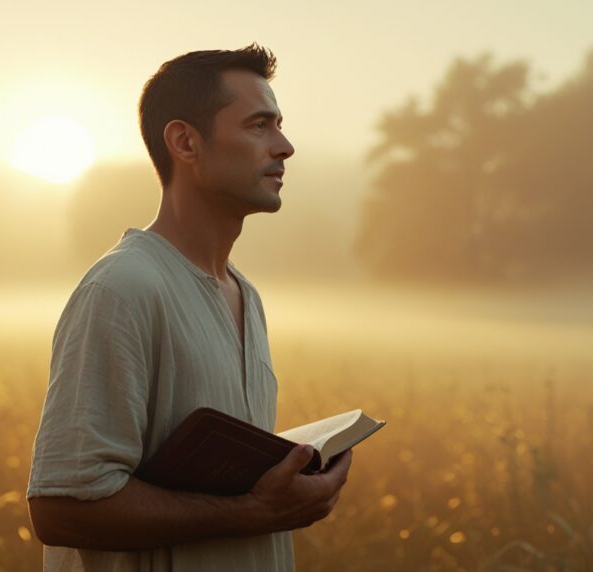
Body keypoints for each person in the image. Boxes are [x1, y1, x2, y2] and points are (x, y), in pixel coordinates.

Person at [26, 43, 353, 572]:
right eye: (258, 125)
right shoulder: (122, 288)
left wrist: (293, 481)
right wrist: (254, 511)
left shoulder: (247, 295)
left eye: (279, 125)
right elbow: (61, 509)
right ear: (185, 141)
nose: (285, 146)